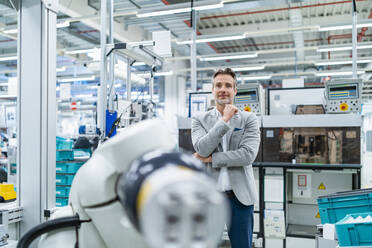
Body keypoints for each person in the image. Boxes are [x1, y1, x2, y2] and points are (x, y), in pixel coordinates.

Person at [191, 68, 260, 248]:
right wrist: (225, 120)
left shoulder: (249, 119)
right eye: (218, 85)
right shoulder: (199, 119)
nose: (223, 89)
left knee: (242, 245)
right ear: (212, 90)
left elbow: (247, 155)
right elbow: (202, 148)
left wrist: (210, 160)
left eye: (228, 85)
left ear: (235, 90)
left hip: (240, 198)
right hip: (209, 197)